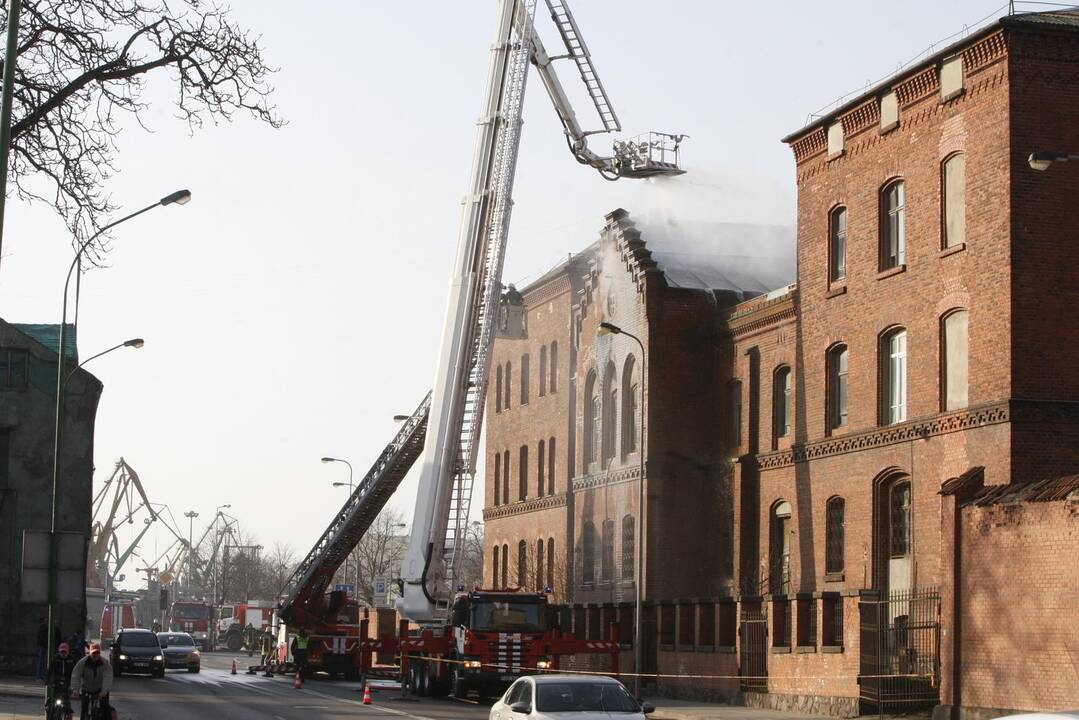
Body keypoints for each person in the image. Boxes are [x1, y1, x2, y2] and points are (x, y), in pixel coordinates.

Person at [71, 643, 112, 720]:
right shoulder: (82, 662)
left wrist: (104, 691)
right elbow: (75, 675)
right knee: (84, 711)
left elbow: (108, 677)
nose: (96, 655)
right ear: (89, 653)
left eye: (98, 653)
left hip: (100, 690)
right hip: (86, 689)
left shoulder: (105, 663)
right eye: (93, 653)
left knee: (105, 710)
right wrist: (75, 690)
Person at [46, 642, 79, 715]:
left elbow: (75, 672)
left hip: (68, 681)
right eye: (62, 652)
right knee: (52, 702)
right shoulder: (55, 659)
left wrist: (74, 684)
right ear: (59, 651)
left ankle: (68, 715)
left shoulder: (72, 660)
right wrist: (48, 681)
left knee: (67, 704)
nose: (63, 654)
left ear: (68, 652)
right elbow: (50, 671)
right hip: (57, 681)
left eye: (65, 652)